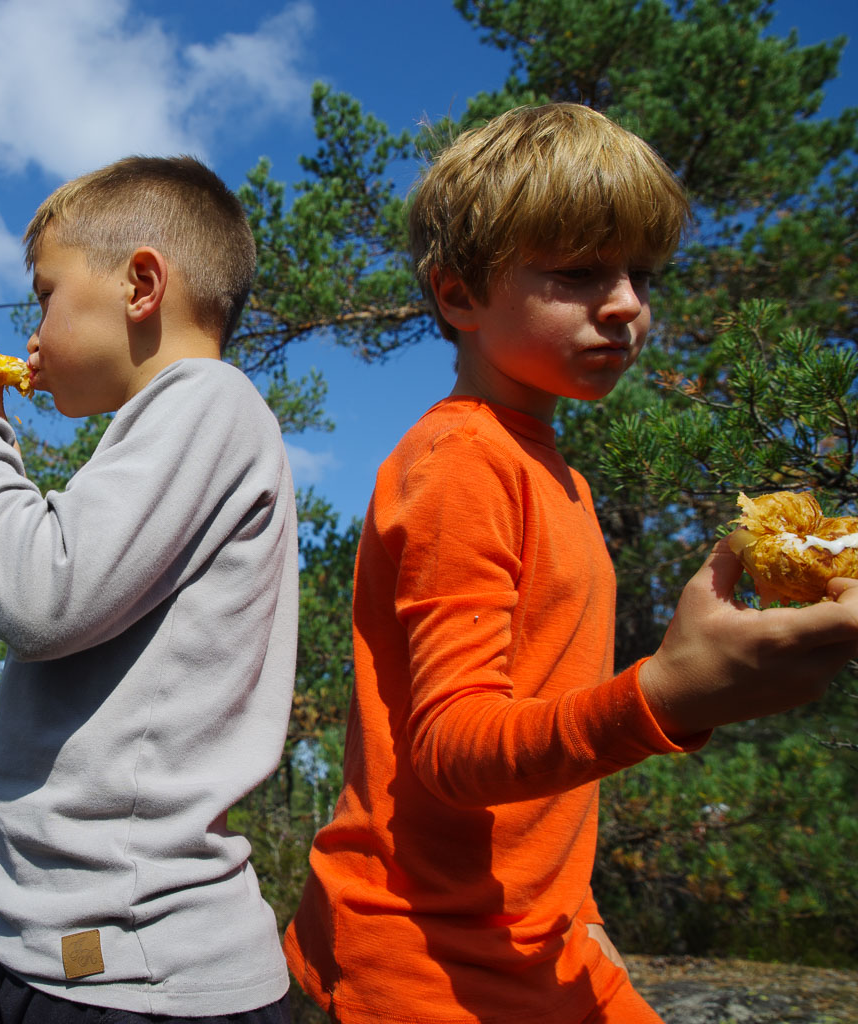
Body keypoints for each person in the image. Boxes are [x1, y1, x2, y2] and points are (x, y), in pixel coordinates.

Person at [282, 103, 858, 1023]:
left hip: (534, 934)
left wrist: (574, 907)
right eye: (581, 272)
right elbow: (453, 749)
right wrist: (664, 697)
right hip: (424, 966)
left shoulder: (560, 480)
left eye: (640, 273)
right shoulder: (461, 463)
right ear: (458, 294)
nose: (627, 303)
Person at [0, 156, 298, 1023]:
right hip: (76, 960)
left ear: (142, 283)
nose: (30, 336)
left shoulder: (208, 401)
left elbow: (40, 591)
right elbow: (62, 571)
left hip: (138, 977)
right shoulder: (172, 428)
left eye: (44, 296)